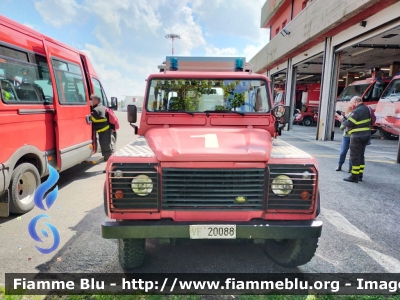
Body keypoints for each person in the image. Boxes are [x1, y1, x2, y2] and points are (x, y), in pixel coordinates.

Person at [340, 96, 372, 183]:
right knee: (361, 155)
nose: (351, 105)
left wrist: (342, 120)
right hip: (366, 135)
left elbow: (349, 123)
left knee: (354, 156)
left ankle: (354, 177)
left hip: (357, 136)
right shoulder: (367, 109)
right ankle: (360, 175)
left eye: (351, 103)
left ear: (356, 101)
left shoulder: (357, 111)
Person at [90, 94, 112, 167]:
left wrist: (90, 117)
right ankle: (108, 162)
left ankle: (110, 166)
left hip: (104, 131)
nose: (90, 101)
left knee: (106, 149)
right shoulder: (99, 107)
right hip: (103, 131)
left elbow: (102, 119)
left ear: (96, 100)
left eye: (91, 99)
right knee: (105, 147)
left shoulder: (97, 109)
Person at [335, 105, 353, 172]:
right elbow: (342, 127)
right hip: (348, 136)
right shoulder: (347, 118)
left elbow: (342, 127)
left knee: (345, 152)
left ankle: (343, 166)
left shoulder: (348, 117)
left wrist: (344, 122)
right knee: (347, 152)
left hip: (349, 136)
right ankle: (345, 167)